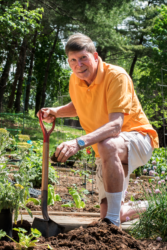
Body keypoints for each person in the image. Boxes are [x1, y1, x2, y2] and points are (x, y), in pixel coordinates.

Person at [39, 33, 158, 227]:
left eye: (83, 58)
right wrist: (56, 112)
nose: (79, 64)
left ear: (95, 57)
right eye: (73, 60)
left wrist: (78, 142)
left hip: (138, 139)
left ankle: (112, 223)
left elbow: (116, 125)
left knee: (107, 144)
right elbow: (79, 105)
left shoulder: (115, 76)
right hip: (108, 149)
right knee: (110, 210)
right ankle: (150, 206)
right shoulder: (75, 80)